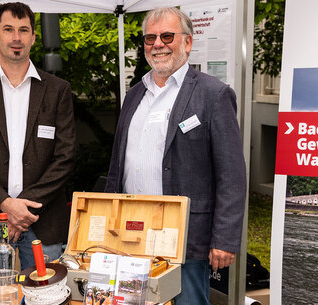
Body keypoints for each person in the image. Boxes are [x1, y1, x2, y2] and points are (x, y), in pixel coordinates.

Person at [104, 7, 246, 304]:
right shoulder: (134, 95)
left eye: (167, 36)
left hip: (185, 236)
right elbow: (118, 165)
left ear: (188, 43)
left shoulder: (213, 94)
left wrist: (224, 239)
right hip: (131, 234)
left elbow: (231, 174)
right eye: (150, 38)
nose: (158, 44)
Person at [0, 2, 76, 283]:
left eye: (23, 30)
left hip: (42, 221)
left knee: (46, 297)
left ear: (34, 37)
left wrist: (23, 209)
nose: (16, 38)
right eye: (8, 29)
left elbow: (66, 156)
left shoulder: (58, 90)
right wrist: (6, 205)